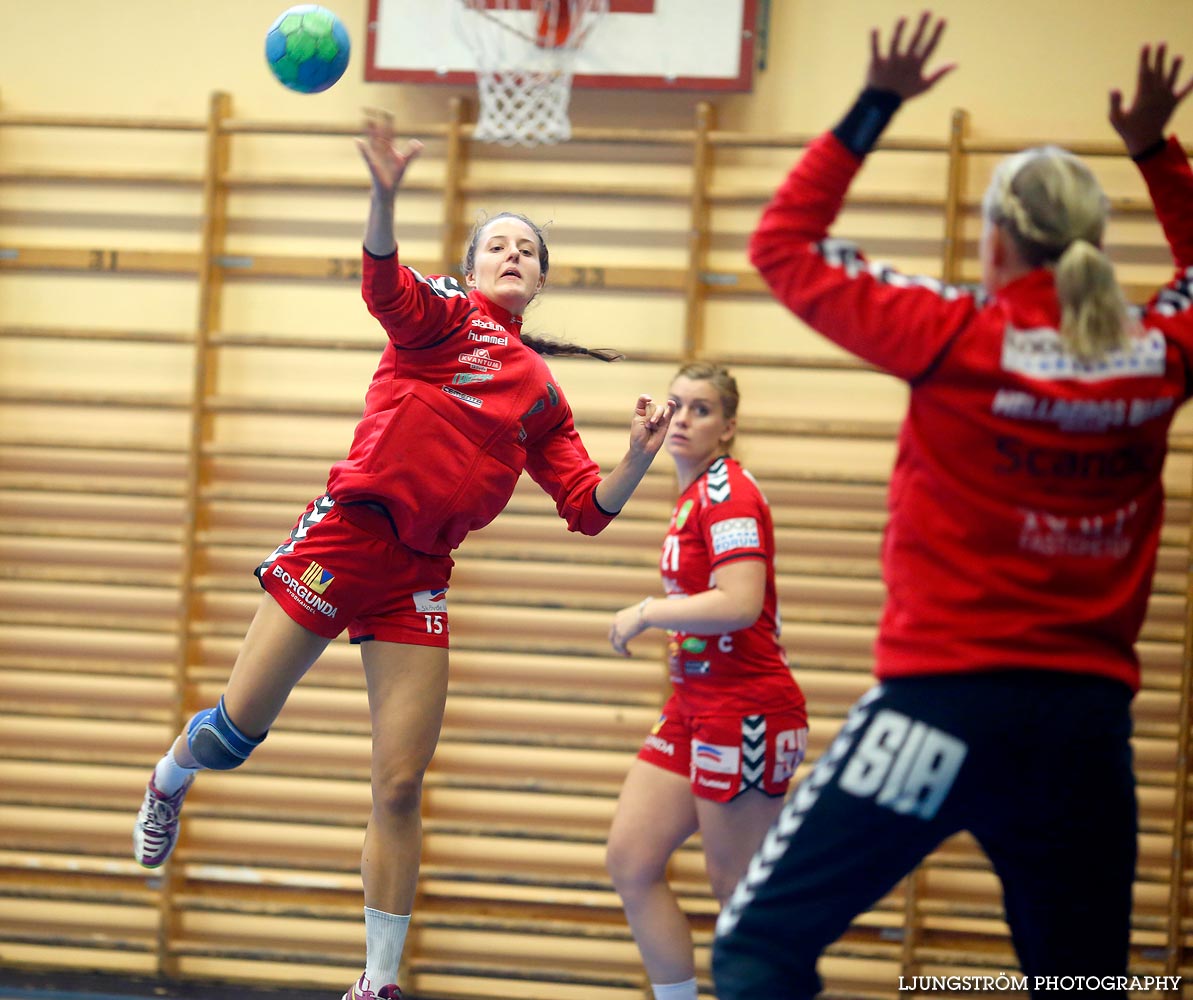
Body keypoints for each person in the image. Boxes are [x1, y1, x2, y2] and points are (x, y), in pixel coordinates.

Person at [132, 109, 675, 1000]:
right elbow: (383, 287)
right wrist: (383, 199)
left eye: (527, 251)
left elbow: (587, 509)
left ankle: (377, 983)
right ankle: (168, 778)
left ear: (539, 281)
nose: (512, 256)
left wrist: (640, 458)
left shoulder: (541, 394)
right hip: (345, 539)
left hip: (417, 575)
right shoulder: (444, 319)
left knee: (398, 784)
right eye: (497, 244)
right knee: (236, 733)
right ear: (470, 266)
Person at [711, 14, 1193, 999]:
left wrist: (873, 103)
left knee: (757, 947)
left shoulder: (954, 334)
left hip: (936, 708)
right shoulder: (1157, 354)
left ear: (997, 239)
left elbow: (782, 245)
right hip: (1082, 732)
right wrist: (1155, 150)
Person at [605, 361, 808, 1000]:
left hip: (745, 710)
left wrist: (647, 611)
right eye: (676, 405)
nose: (684, 419)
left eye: (701, 409)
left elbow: (740, 601)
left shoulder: (729, 493)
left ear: (728, 428)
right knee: (632, 861)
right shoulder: (693, 493)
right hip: (694, 708)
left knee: (740, 896)